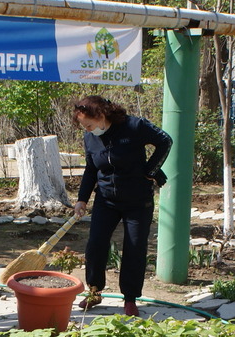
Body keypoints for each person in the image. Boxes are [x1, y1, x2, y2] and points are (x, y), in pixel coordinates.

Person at [72, 95, 172, 316]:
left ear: (100, 115)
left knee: (134, 247)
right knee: (96, 244)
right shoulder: (90, 138)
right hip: (106, 200)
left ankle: (130, 298)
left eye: (89, 125)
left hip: (138, 200)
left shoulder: (134, 126)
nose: (87, 130)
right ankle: (95, 290)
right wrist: (82, 199)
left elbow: (166, 141)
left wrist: (151, 171)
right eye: (84, 127)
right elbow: (91, 170)